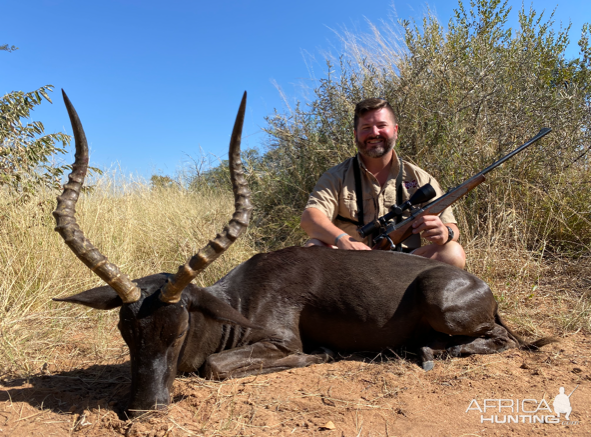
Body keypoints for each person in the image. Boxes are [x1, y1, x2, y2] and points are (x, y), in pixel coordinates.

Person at [300, 98, 466, 269]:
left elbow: (450, 225)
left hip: (405, 267)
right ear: (355, 134)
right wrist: (342, 240)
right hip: (350, 267)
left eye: (381, 126)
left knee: (452, 252)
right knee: (314, 248)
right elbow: (310, 218)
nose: (374, 133)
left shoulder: (421, 178)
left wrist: (446, 232)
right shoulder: (336, 177)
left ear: (395, 131)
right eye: (366, 128)